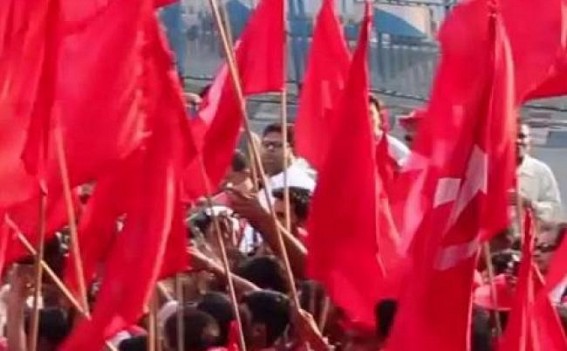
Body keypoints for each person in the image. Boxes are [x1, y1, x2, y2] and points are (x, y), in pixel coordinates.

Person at [514, 123, 562, 223]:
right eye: (512, 136)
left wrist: (531, 204)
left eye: (521, 136)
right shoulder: (492, 170)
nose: (517, 141)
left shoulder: (541, 171)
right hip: (497, 236)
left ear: (530, 141)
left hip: (531, 234)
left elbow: (555, 209)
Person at [368, 95, 410, 167]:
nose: (366, 119)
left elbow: (411, 167)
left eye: (370, 113)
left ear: (379, 116)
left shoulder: (392, 146)